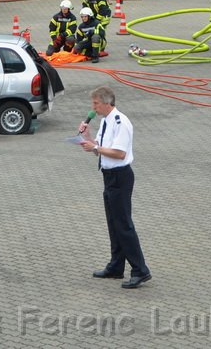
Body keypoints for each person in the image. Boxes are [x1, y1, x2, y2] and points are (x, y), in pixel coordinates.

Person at [77, 86, 151, 289]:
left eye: (96, 104)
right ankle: (116, 265)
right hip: (108, 176)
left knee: (124, 225)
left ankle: (140, 270)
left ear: (107, 103)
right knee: (113, 223)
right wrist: (88, 138)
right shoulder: (105, 122)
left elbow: (119, 153)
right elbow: (100, 150)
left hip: (120, 177)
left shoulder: (121, 122)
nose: (93, 108)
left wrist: (95, 147)